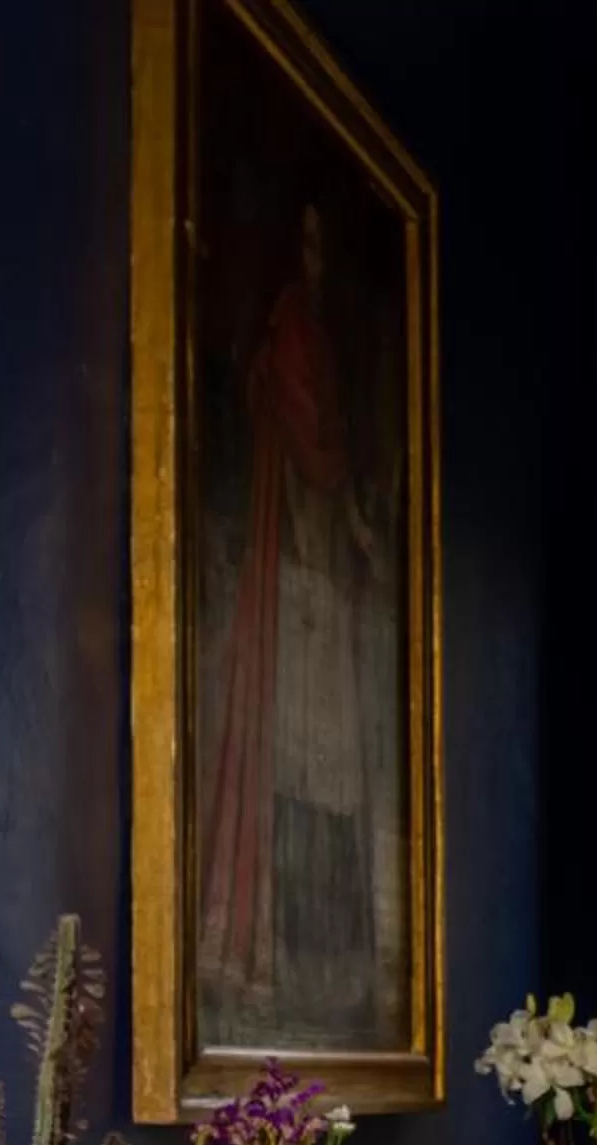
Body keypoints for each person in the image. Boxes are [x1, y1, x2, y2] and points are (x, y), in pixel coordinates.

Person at [201, 204, 389, 1034]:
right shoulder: (291, 334)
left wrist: (351, 525)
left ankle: (333, 958)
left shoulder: (323, 343)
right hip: (299, 568)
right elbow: (315, 441)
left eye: (325, 242)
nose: (317, 259)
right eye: (306, 239)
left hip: (323, 572)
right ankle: (288, 954)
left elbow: (331, 446)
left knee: (333, 770)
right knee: (296, 766)